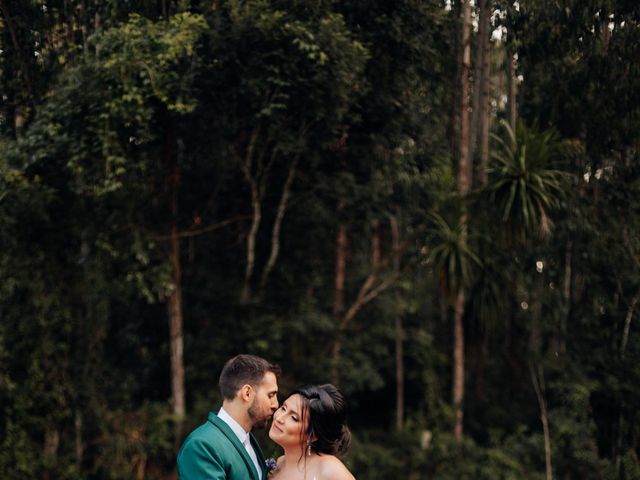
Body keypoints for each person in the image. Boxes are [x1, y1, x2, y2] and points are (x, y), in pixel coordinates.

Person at [177, 354, 281, 480]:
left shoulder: (248, 439)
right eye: (270, 395)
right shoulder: (201, 445)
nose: (276, 405)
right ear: (247, 393)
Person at [267, 384, 356, 480]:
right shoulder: (277, 465)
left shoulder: (330, 470)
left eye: (293, 418)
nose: (279, 418)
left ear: (313, 435)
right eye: (283, 408)